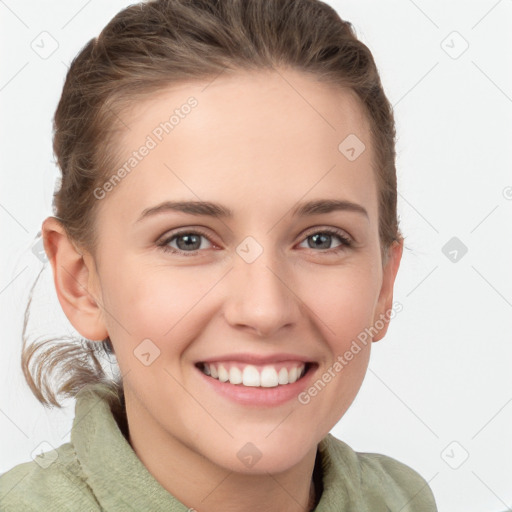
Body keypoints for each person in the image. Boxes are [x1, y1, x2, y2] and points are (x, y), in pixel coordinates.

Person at [0, 0, 438, 510]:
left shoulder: (403, 500)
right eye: (188, 240)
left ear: (384, 283)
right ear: (81, 281)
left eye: (322, 239)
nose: (265, 309)